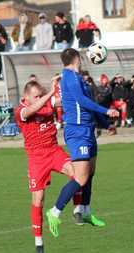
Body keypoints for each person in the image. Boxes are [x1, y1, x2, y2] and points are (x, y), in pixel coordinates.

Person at [45, 48, 119, 237]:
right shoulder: (68, 76)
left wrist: (105, 123)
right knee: (80, 177)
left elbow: (88, 105)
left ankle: (83, 210)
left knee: (91, 172)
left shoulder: (79, 78)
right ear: (76, 58)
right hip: (77, 131)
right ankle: (55, 211)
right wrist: (106, 111)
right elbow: (81, 102)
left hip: (88, 129)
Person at [14, 80, 76, 253]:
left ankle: (77, 211)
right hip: (36, 158)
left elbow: (62, 101)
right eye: (36, 96)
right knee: (38, 199)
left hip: (54, 151)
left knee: (78, 174)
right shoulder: (20, 111)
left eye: (40, 95)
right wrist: (50, 94)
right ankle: (39, 243)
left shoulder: (47, 102)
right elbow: (32, 110)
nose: (39, 99)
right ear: (25, 97)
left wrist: (67, 86)